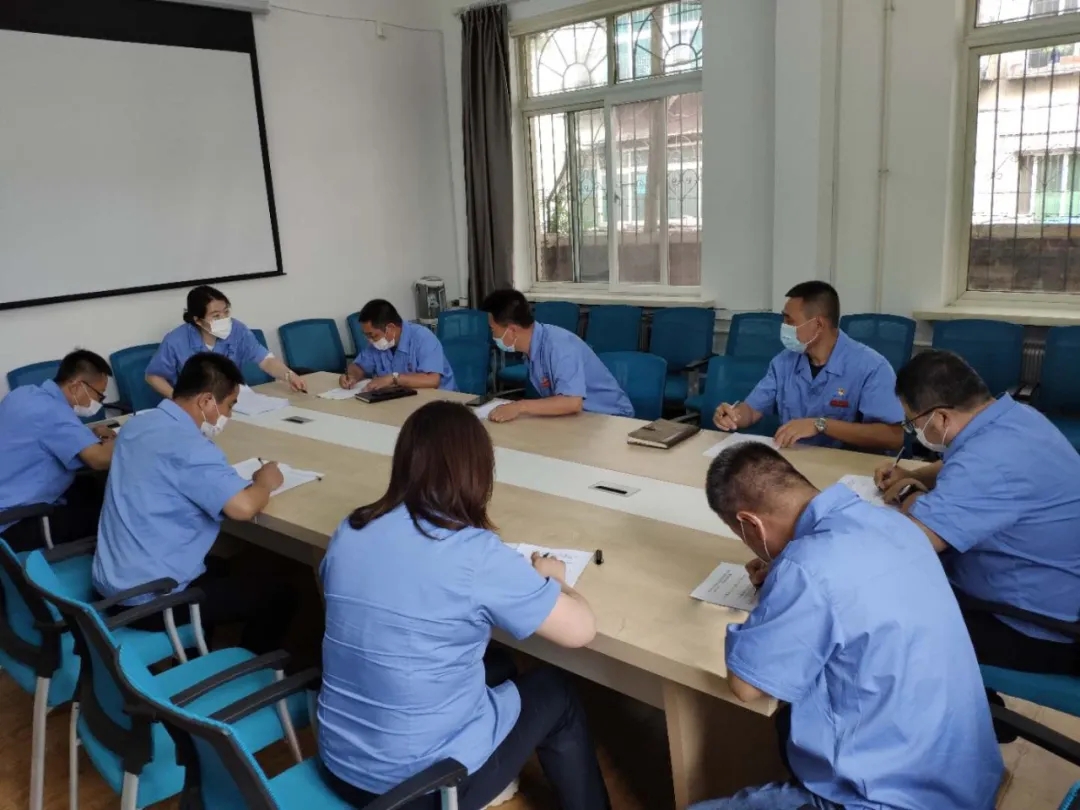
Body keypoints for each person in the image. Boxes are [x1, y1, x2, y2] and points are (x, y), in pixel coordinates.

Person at [318, 400, 610, 810]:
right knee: (556, 691)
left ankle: (496, 775)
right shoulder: (473, 553)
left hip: (339, 764)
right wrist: (555, 580)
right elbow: (581, 631)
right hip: (422, 790)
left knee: (499, 664)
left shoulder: (351, 528)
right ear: (479, 473)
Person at [692, 443, 1002, 810]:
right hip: (963, 778)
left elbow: (747, 686)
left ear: (751, 524)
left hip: (887, 798)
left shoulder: (806, 570)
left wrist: (782, 588)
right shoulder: (892, 522)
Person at [877, 349, 1080, 678]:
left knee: (879, 617)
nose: (914, 431)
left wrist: (906, 492)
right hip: (1053, 591)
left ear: (941, 418)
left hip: (1030, 626)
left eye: (913, 423)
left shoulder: (988, 462)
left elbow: (913, 540)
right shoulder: (1016, 418)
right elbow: (961, 463)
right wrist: (916, 475)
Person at [92, 354, 297, 655]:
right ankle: (250, 673)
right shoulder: (191, 448)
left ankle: (195, 652)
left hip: (112, 580)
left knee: (224, 567)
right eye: (229, 406)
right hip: (149, 599)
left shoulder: (138, 424)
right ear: (206, 401)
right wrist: (264, 482)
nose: (228, 415)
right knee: (282, 593)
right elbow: (242, 508)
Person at [713, 281, 903, 451]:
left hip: (845, 466)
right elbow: (753, 410)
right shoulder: (784, 362)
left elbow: (894, 437)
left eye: (790, 321)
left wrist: (821, 424)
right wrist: (734, 415)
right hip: (792, 460)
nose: (784, 327)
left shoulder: (871, 367)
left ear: (818, 325)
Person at [0, 350, 116, 552]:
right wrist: (121, 439)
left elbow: (44, 434)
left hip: (10, 492)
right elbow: (99, 460)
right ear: (77, 385)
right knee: (113, 516)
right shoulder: (53, 412)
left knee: (92, 486)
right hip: (17, 521)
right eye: (99, 395)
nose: (98, 403)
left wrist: (88, 434)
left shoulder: (24, 394)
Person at [479, 289, 632, 421]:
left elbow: (572, 402)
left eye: (493, 329)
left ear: (512, 330)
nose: (492, 335)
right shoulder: (533, 347)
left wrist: (520, 406)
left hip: (612, 418)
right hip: (579, 417)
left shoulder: (559, 346)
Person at [145, 285, 307, 399]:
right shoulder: (176, 340)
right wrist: (178, 400)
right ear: (198, 320)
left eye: (226, 312)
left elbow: (265, 359)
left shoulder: (237, 329)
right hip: (195, 405)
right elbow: (153, 376)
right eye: (216, 316)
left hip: (231, 401)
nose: (224, 319)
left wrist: (289, 375)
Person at [339, 299, 457, 392]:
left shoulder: (423, 338)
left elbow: (432, 380)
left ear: (390, 328)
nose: (370, 341)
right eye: (367, 336)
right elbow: (359, 366)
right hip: (402, 400)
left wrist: (393, 378)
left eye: (373, 335)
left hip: (439, 402)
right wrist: (351, 376)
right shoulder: (377, 345)